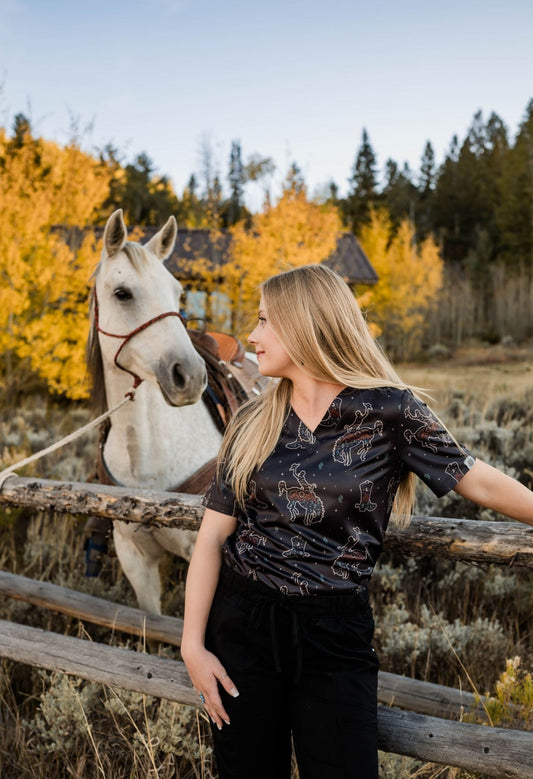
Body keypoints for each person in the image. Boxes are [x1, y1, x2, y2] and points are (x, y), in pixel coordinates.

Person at [181, 264, 533, 779]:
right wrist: (192, 644)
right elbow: (212, 538)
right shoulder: (252, 421)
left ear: (306, 323)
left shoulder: (389, 411)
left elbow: (474, 479)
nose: (251, 336)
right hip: (243, 625)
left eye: (263, 320)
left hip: (334, 632)